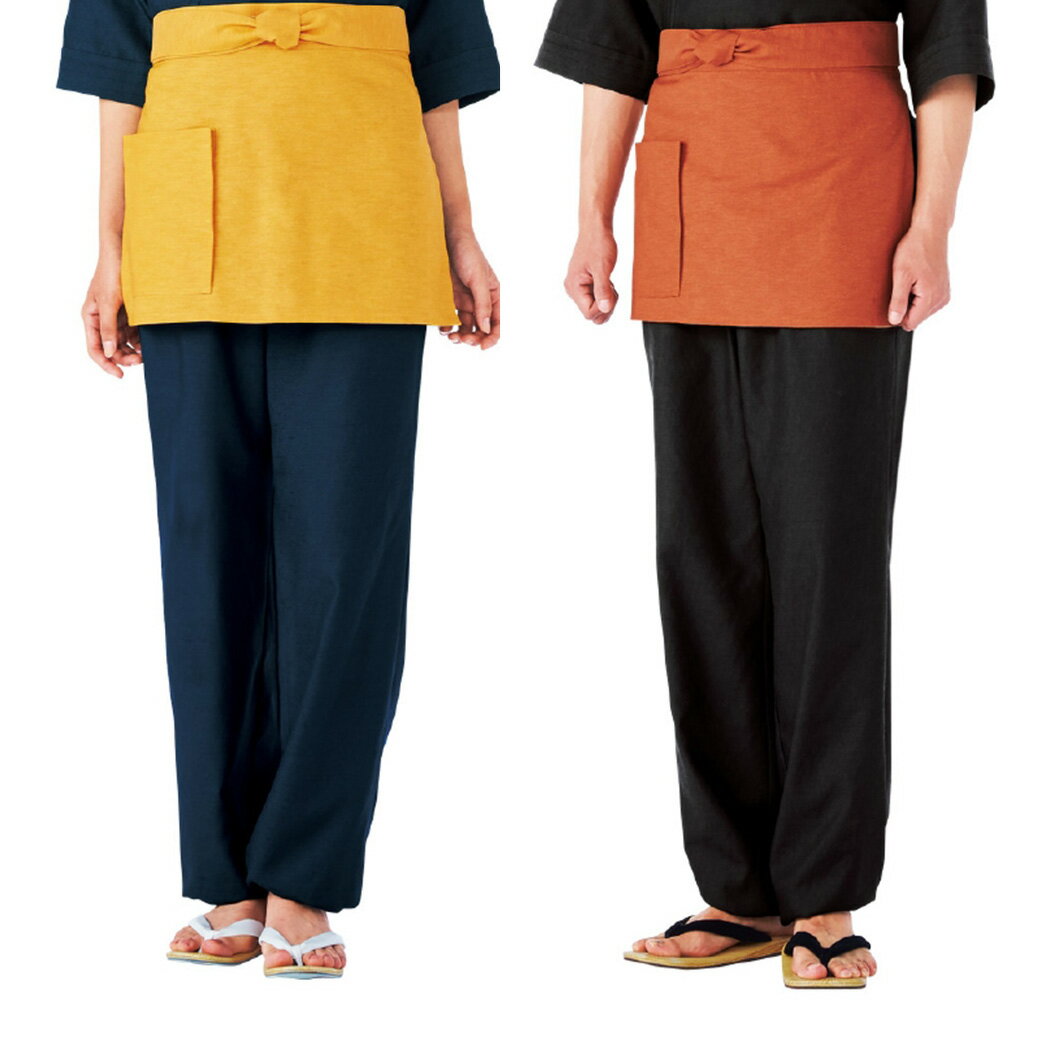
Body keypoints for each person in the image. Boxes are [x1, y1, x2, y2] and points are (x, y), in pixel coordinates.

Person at [536, 0, 993, 988]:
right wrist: (590, 218)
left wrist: (931, 226)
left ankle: (823, 893)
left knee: (827, 555)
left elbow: (947, 52)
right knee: (699, 552)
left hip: (846, 185)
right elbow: (613, 48)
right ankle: (737, 889)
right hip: (689, 182)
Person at [57, 0, 500, 980]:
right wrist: (111, 245)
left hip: (368, 195)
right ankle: (226, 874)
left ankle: (303, 871)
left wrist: (460, 230)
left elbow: (436, 65)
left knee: (346, 561)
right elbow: (120, 66)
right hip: (190, 196)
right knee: (206, 553)